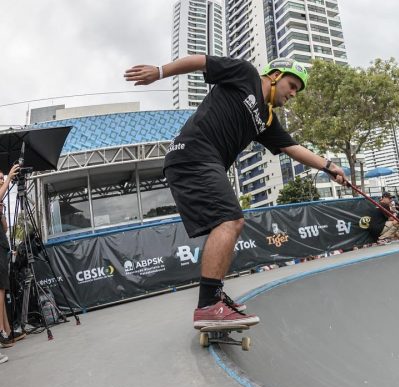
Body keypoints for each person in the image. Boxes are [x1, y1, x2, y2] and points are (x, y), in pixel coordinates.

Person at [125, 55, 347, 328]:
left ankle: (214, 296)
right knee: (230, 221)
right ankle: (208, 306)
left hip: (202, 161)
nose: (293, 94)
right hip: (192, 153)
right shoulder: (246, 74)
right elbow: (201, 61)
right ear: (275, 75)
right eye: (292, 86)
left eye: (297, 91)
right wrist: (159, 71)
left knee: (229, 224)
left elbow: (292, 147)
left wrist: (329, 166)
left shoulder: (266, 118)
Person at [0, 165, 21, 348]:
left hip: (2, 247)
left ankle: (6, 331)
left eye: (2, 177)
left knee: (2, 290)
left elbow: (5, 228)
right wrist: (8, 179)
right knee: (0, 289)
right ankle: (2, 332)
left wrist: (1, 212)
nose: (2, 180)